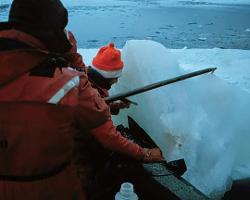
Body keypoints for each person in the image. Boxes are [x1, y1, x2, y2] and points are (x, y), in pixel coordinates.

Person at [0, 0, 165, 199]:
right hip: (52, 188)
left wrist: (108, 105)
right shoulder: (68, 83)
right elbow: (108, 135)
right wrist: (145, 154)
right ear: (55, 34)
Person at [87, 42, 130, 115]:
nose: (116, 81)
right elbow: (94, 113)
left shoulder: (98, 84)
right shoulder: (89, 90)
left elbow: (99, 106)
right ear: (107, 76)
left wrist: (117, 106)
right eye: (115, 77)